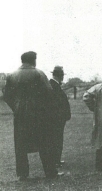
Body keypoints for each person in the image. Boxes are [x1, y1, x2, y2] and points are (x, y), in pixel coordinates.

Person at [3, 51, 62, 180]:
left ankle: (22, 174)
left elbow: (7, 95)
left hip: (20, 114)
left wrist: (16, 107)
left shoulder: (12, 75)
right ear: (33, 60)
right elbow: (49, 93)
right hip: (38, 114)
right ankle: (50, 172)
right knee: (45, 141)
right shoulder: (38, 73)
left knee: (20, 144)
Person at [49, 66, 71, 168]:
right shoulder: (53, 85)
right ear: (60, 75)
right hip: (56, 118)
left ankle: (56, 159)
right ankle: (54, 160)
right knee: (56, 139)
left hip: (57, 117)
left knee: (57, 138)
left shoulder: (54, 85)